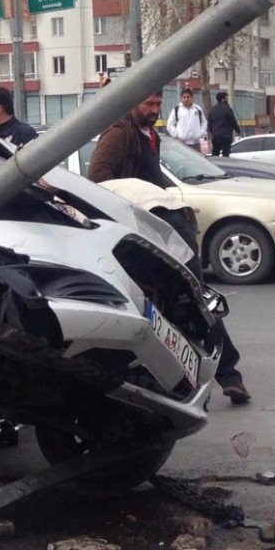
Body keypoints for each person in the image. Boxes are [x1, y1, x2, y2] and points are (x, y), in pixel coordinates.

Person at [88, 90, 251, 404]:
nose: (154, 109)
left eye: (158, 103)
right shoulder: (119, 134)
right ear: (130, 102)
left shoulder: (150, 136)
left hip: (161, 230)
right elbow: (99, 181)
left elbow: (153, 181)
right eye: (148, 103)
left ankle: (220, 377)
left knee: (191, 302)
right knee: (192, 301)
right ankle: (221, 377)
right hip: (137, 236)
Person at [166, 87, 208, 152]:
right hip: (181, 143)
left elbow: (204, 122)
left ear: (192, 98)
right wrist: (177, 135)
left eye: (188, 97)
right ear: (181, 98)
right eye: (184, 97)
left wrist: (201, 133)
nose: (186, 99)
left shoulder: (198, 109)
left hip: (196, 143)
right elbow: (169, 124)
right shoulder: (176, 110)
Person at [207, 90, 242, 157]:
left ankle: (215, 165)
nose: (228, 100)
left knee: (215, 154)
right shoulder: (228, 109)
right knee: (225, 155)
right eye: (226, 98)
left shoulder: (212, 110)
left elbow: (209, 124)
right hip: (226, 137)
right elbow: (233, 121)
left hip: (216, 137)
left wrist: (213, 133)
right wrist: (238, 131)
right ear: (222, 99)